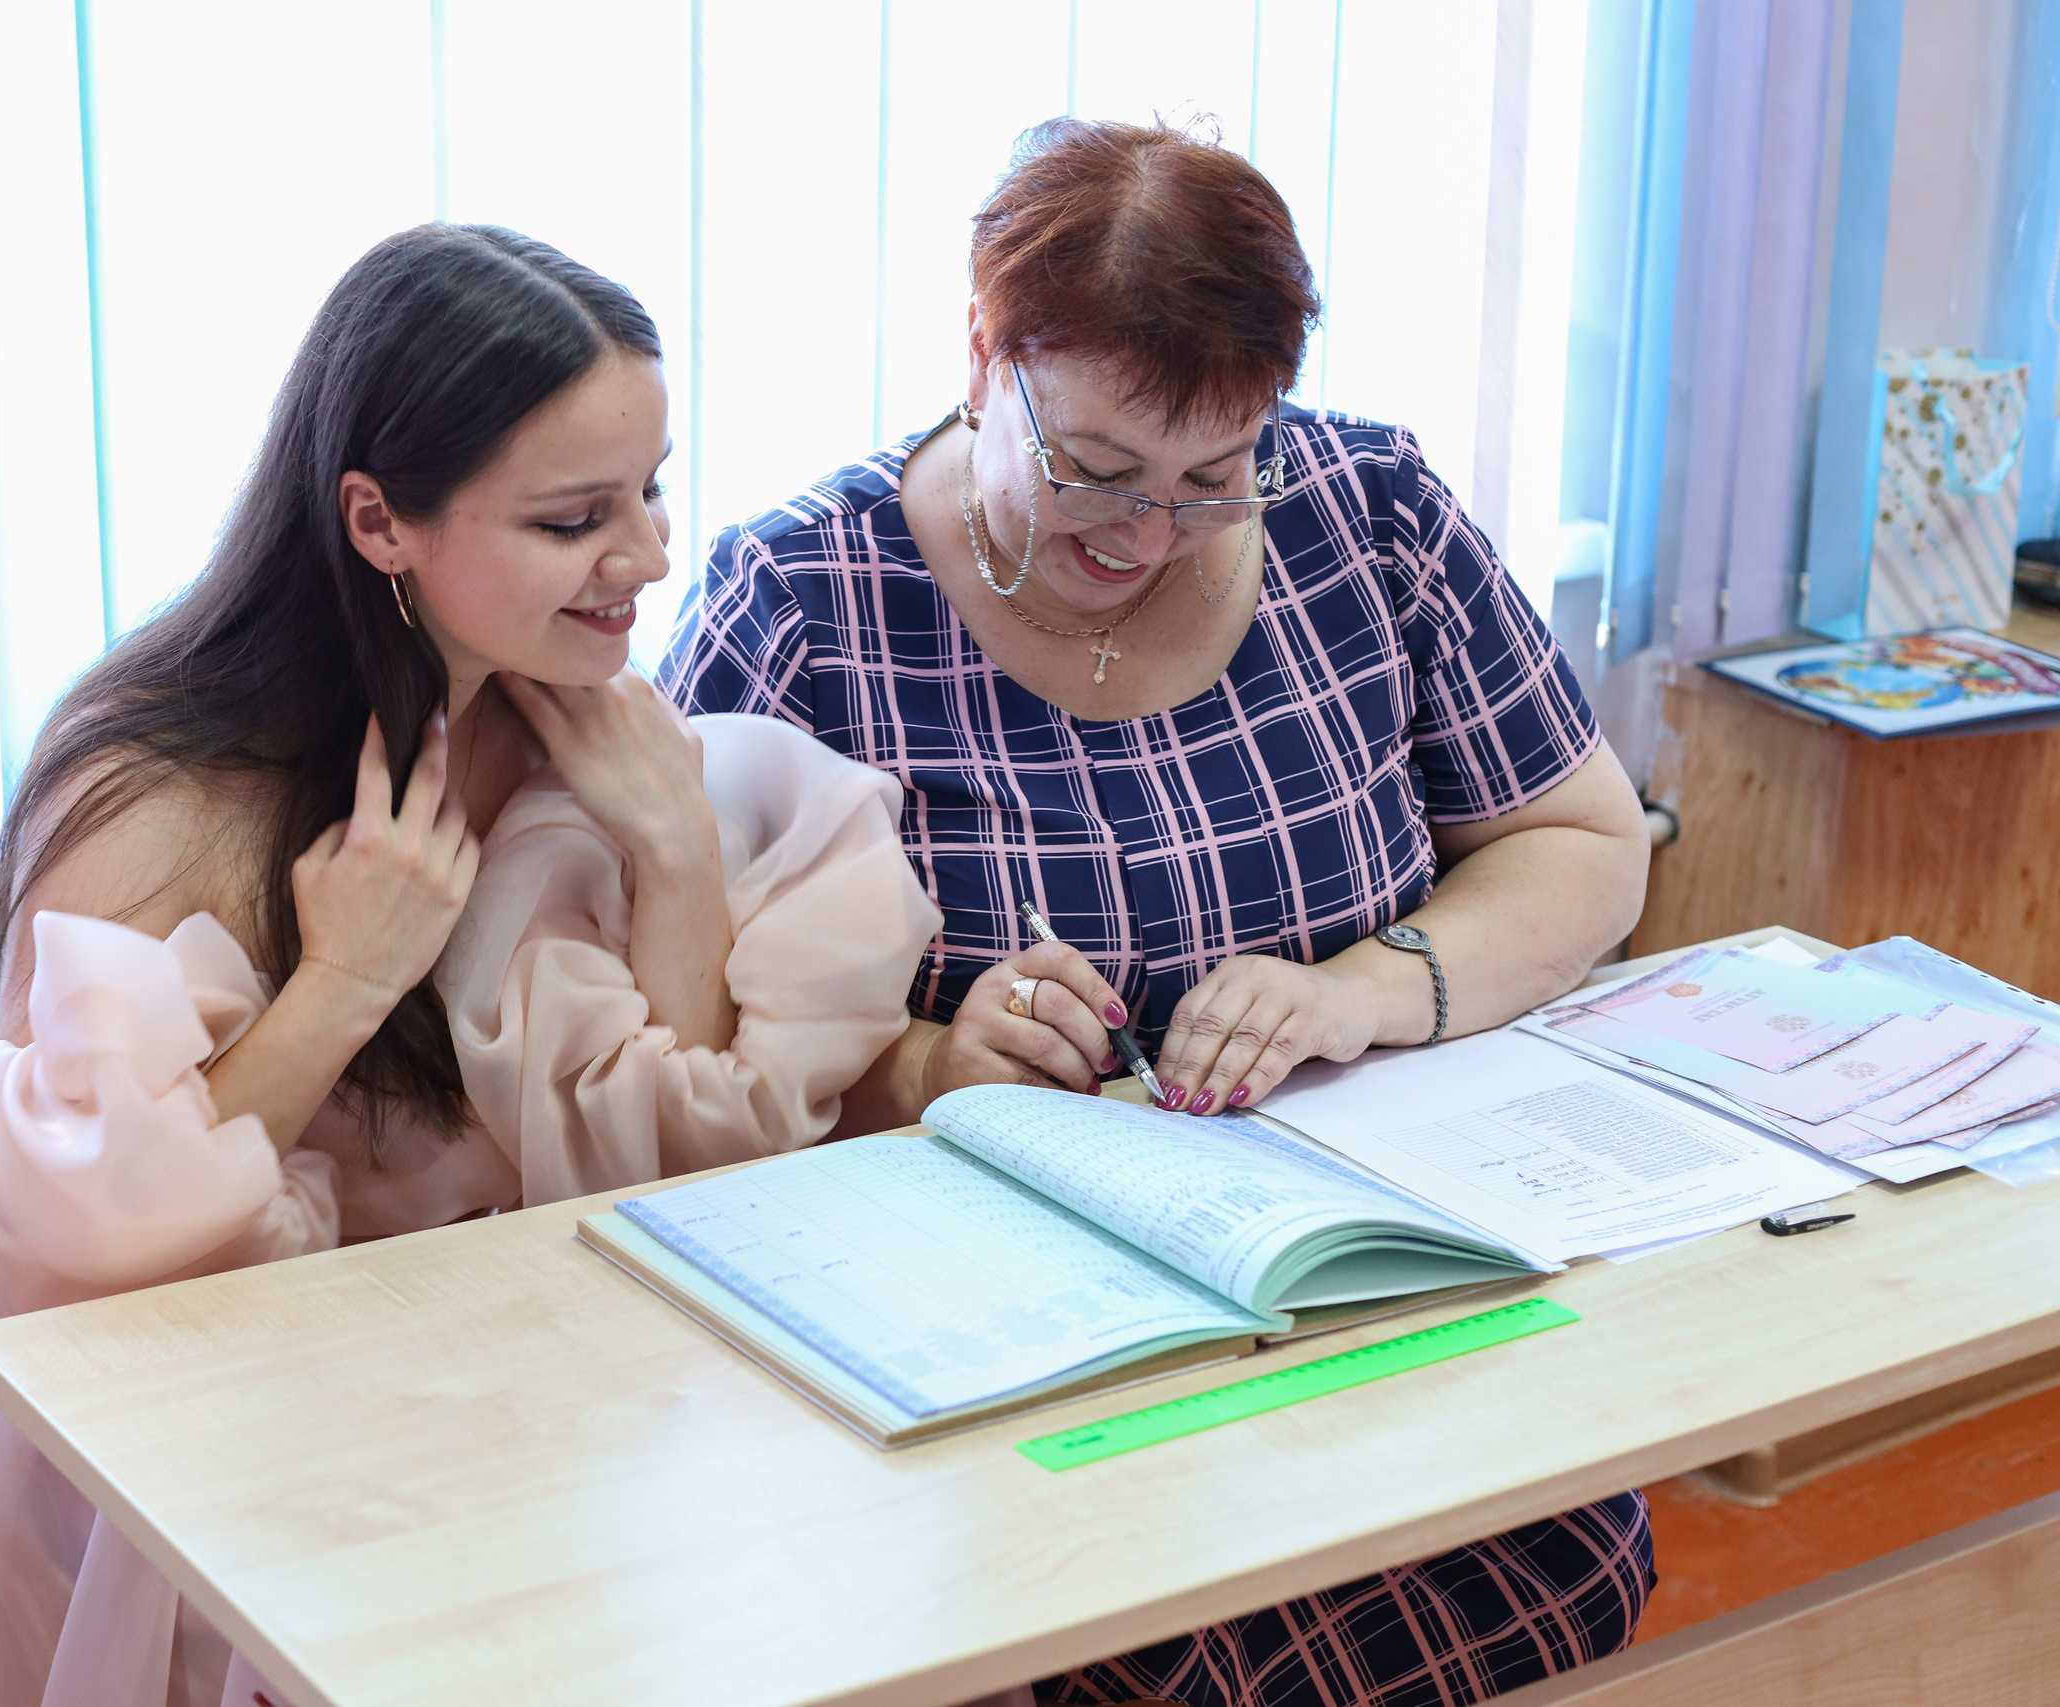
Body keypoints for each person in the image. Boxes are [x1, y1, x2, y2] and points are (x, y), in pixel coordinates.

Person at [660, 118, 1655, 1706]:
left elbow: (1583, 839)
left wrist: (1369, 988)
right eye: (1096, 472)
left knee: (1551, 1549)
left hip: (1367, 1302)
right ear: (983, 357)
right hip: (1014, 1391)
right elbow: (667, 1041)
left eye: (1213, 481)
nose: (1144, 536)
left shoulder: (1367, 511)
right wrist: (918, 1064)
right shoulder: (802, 601)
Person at [0, 225, 938, 1707]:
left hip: (545, 1433)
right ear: (381, 521)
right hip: (247, 1488)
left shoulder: (615, 746)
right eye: (577, 518)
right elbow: (61, 1259)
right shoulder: (165, 798)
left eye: (650, 491)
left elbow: (709, 1165)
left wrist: (675, 855)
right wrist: (342, 985)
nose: (648, 558)